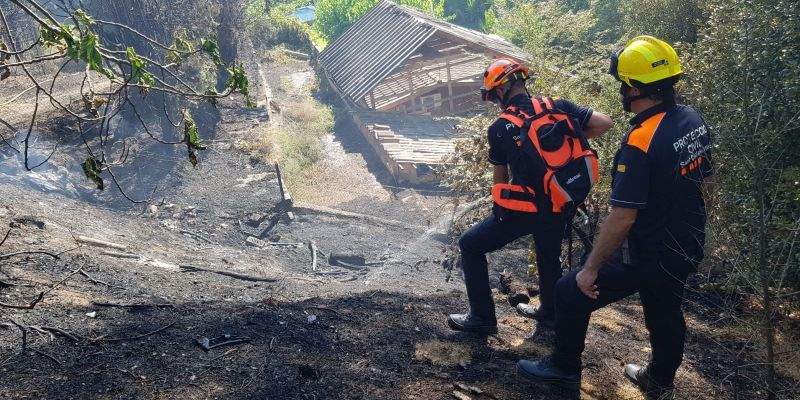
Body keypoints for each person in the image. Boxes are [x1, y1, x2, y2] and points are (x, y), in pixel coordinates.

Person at [516, 36, 714, 400]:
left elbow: (623, 216)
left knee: (569, 290)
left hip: (650, 249)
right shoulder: (692, 119)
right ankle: (659, 380)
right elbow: (705, 178)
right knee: (665, 309)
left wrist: (590, 269)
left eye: (623, 84)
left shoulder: (640, 141)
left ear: (635, 88)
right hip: (686, 242)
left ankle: (562, 371)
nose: (621, 92)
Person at [446, 59, 612, 335]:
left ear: (501, 90)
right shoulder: (556, 105)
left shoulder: (500, 127)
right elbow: (604, 122)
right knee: (548, 255)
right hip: (561, 201)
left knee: (470, 245)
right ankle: (549, 314)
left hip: (524, 208)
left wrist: (499, 214)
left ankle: (482, 318)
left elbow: (500, 179)